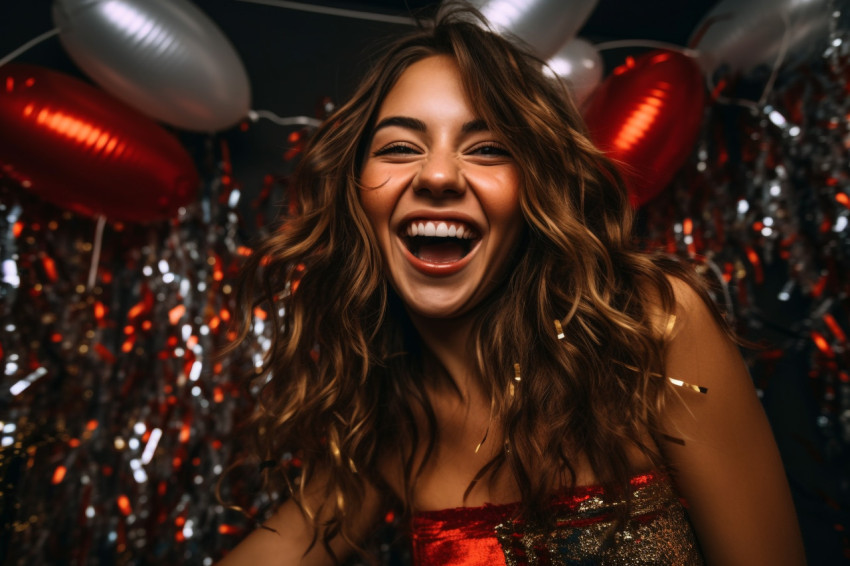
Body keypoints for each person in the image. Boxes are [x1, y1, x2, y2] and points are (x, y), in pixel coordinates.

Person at [218, 4, 806, 565]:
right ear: (356, 193)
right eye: (400, 146)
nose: (440, 174)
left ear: (534, 195)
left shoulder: (652, 327)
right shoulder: (391, 417)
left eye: (489, 149)